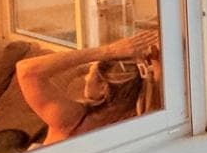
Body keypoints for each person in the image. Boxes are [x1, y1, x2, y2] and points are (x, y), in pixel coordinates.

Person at [15, 30, 162, 146]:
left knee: (10, 138)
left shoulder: (72, 120)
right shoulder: (138, 119)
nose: (85, 77)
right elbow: (156, 85)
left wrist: (109, 51)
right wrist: (156, 61)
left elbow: (26, 71)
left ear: (103, 87)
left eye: (90, 73)